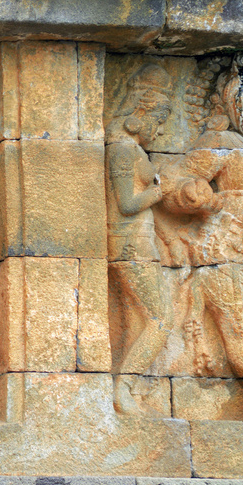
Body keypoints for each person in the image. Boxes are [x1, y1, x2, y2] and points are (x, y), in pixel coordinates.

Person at [162, 54, 243, 421]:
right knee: (239, 326)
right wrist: (192, 192)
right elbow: (171, 180)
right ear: (230, 106)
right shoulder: (220, 141)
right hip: (225, 246)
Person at [106, 64, 174, 415]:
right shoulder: (121, 150)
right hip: (128, 245)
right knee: (161, 320)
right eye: (159, 120)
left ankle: (126, 388)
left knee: (147, 318)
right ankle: (124, 387)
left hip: (140, 245)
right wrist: (160, 193)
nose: (161, 130)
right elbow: (127, 203)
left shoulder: (133, 151)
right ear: (140, 112)